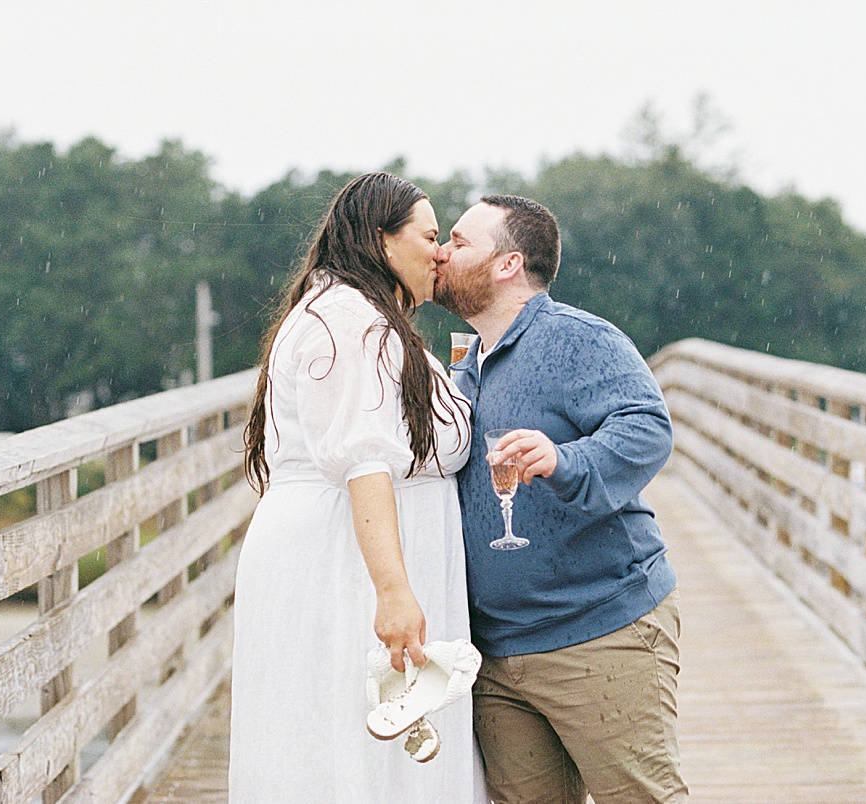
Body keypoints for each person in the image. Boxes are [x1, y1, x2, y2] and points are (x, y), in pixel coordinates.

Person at [231, 173, 487, 802]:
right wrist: (395, 594)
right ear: (381, 241)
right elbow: (364, 463)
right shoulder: (348, 320)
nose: (441, 253)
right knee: (342, 748)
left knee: (347, 743)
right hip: (344, 564)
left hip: (353, 556)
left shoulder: (364, 315)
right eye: (430, 236)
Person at [435, 195, 689, 804]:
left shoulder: (579, 339)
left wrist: (564, 458)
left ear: (507, 264)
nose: (443, 252)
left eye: (461, 242)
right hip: (496, 655)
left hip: (600, 633)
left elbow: (649, 428)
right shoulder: (465, 362)